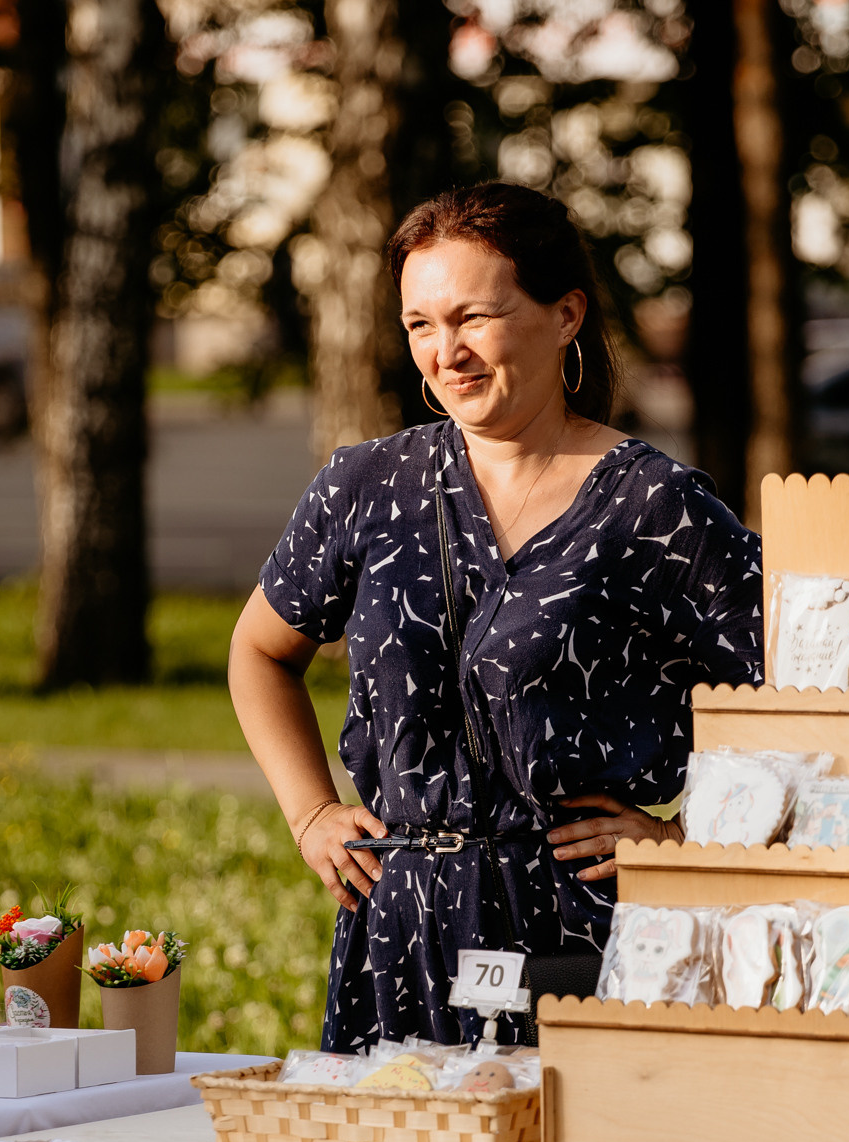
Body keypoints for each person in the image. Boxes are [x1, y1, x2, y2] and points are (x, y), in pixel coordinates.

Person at [229, 183, 764, 1050]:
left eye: (474, 317)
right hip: (396, 931)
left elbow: (800, 699)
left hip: (578, 935)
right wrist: (310, 814)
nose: (448, 353)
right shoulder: (366, 487)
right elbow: (259, 650)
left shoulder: (656, 507)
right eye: (420, 325)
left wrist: (683, 837)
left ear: (565, 315)